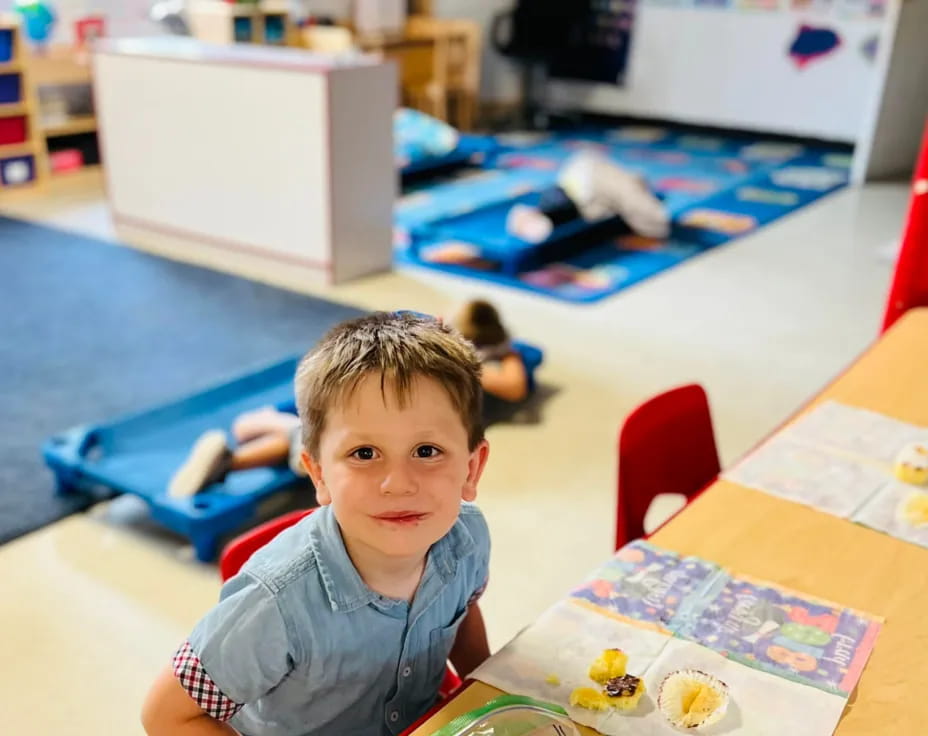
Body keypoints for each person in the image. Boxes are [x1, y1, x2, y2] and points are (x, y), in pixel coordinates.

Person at [143, 311, 492, 736]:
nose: (398, 484)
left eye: (426, 450)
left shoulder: (467, 537)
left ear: (472, 469)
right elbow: (166, 715)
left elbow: (463, 606)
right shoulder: (275, 604)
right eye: (365, 453)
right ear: (319, 474)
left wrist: (488, 690)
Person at [167, 301, 527, 498]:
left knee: (290, 434)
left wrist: (460, 353)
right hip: (355, 443)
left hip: (348, 451)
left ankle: (234, 456)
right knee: (303, 434)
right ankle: (235, 455)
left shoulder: (485, 369)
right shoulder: (450, 373)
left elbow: (514, 387)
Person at [506, 148, 670, 243]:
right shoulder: (587, 194)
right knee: (635, 201)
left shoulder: (586, 181)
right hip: (583, 185)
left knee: (634, 199)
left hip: (584, 181)